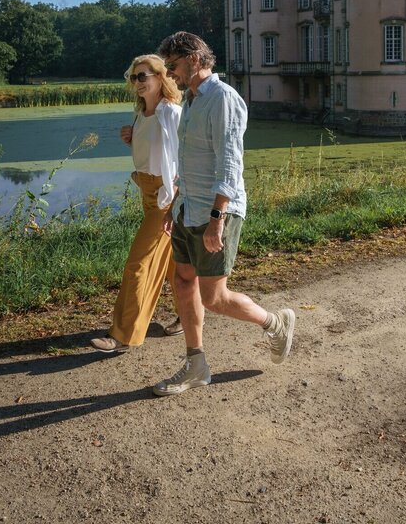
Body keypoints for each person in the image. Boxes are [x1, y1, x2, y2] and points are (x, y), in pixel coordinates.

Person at [152, 31, 295, 396]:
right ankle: (196, 364)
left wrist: (217, 220)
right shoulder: (193, 99)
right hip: (189, 209)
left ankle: (274, 322)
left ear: (195, 59)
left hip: (218, 212)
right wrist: (176, 204)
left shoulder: (223, 98)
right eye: (168, 67)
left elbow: (229, 164)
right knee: (183, 281)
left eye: (174, 66)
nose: (171, 75)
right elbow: (190, 158)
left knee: (213, 297)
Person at [90, 54, 183, 353]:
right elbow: (154, 151)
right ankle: (190, 313)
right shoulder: (142, 113)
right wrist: (133, 139)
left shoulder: (172, 113)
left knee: (138, 265)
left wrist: (178, 195)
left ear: (161, 77)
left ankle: (122, 335)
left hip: (165, 198)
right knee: (171, 262)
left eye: (143, 76)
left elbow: (183, 157)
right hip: (146, 190)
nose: (137, 82)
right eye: (134, 77)